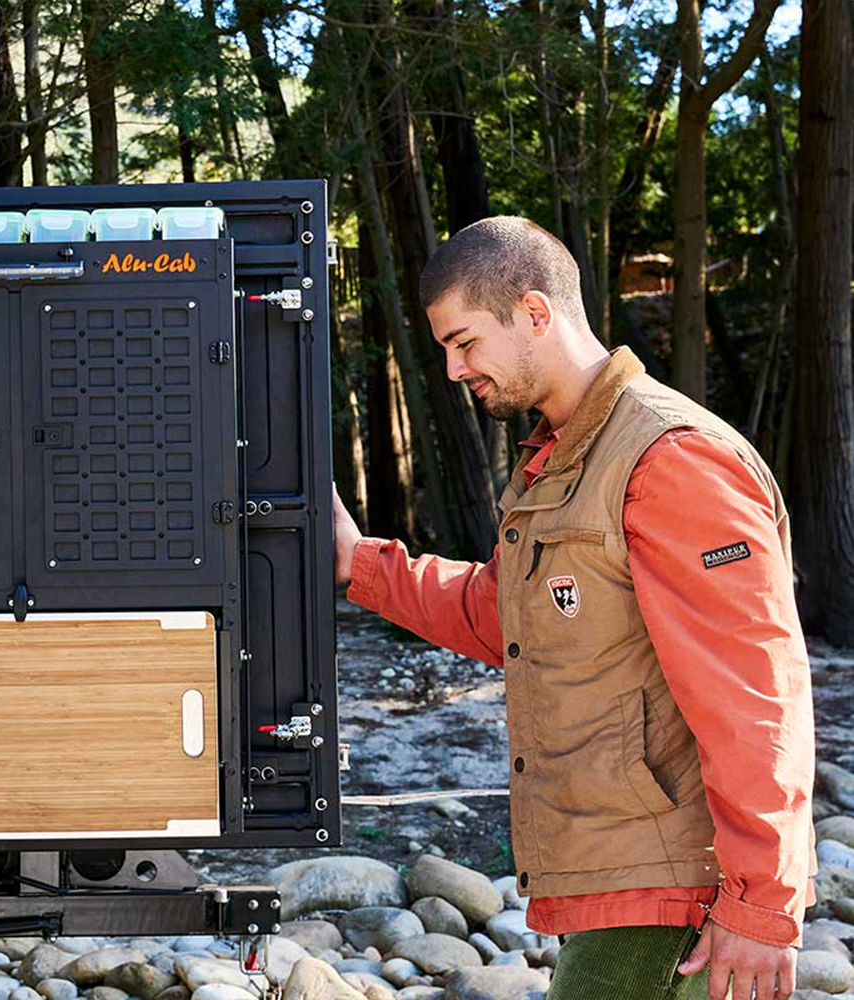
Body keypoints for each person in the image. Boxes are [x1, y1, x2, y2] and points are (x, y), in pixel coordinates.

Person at [331, 217, 816, 1000]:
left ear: (533, 312)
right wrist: (359, 564)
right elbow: (505, 618)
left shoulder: (670, 458)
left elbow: (755, 698)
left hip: (684, 904)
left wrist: (762, 906)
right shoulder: (564, 458)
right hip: (634, 893)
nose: (455, 370)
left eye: (465, 342)